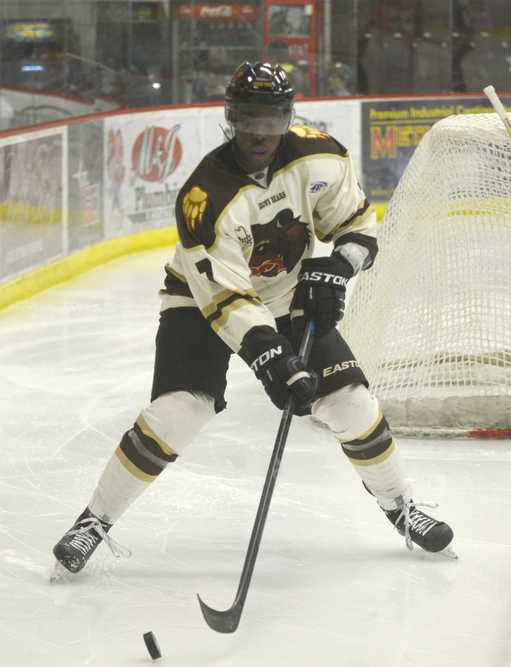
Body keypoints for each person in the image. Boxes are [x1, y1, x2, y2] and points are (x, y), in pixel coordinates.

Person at [51, 61, 455, 578]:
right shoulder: (205, 197)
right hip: (199, 300)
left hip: (287, 294)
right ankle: (94, 521)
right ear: (231, 116)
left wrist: (338, 265)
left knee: (351, 403)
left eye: (271, 120)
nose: (260, 134)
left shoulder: (321, 157)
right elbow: (226, 295)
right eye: (249, 119)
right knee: (179, 411)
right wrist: (270, 357)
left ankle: (402, 507)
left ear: (288, 116)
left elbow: (356, 222)